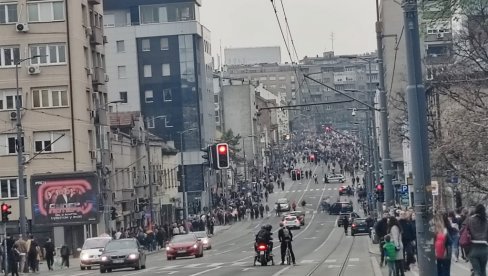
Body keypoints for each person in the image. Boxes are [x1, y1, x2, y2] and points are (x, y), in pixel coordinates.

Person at [464, 204, 488, 276]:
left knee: (477, 271)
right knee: (483, 269)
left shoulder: (470, 219)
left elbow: (465, 231)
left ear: (476, 210)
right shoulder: (486, 220)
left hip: (473, 247)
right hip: (484, 248)